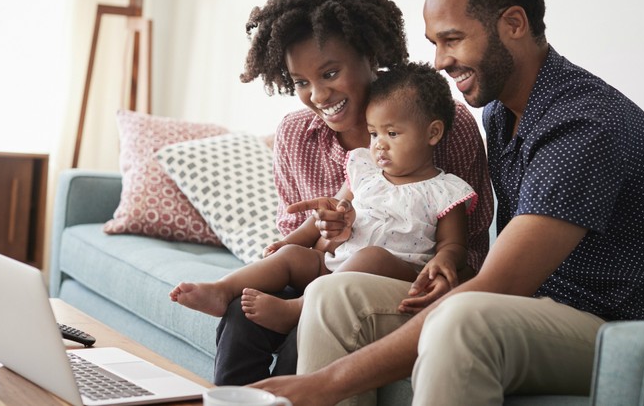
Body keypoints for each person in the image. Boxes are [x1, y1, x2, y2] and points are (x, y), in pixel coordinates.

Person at [248, 0, 644, 405]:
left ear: (513, 24)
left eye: (452, 39)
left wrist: (326, 383)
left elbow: (498, 286)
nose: (439, 62)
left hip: (627, 331)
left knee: (461, 321)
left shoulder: (583, 125)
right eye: (434, 43)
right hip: (537, 308)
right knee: (335, 295)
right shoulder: (502, 115)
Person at [212, 0, 495, 386]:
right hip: (320, 271)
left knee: (310, 332)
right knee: (240, 315)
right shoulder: (295, 135)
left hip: (391, 281)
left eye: (330, 73)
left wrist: (440, 267)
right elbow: (299, 249)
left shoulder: (446, 124)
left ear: (370, 55)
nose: (318, 95)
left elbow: (472, 253)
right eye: (301, 82)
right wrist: (329, 236)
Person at [170, 61, 478, 337]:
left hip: (392, 274)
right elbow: (329, 212)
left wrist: (444, 260)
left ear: (433, 133)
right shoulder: (364, 171)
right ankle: (222, 289)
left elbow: (453, 245)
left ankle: (298, 309)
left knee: (372, 256)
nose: (379, 146)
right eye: (373, 134)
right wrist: (291, 241)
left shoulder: (445, 190)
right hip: (335, 264)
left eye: (392, 134)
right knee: (291, 256)